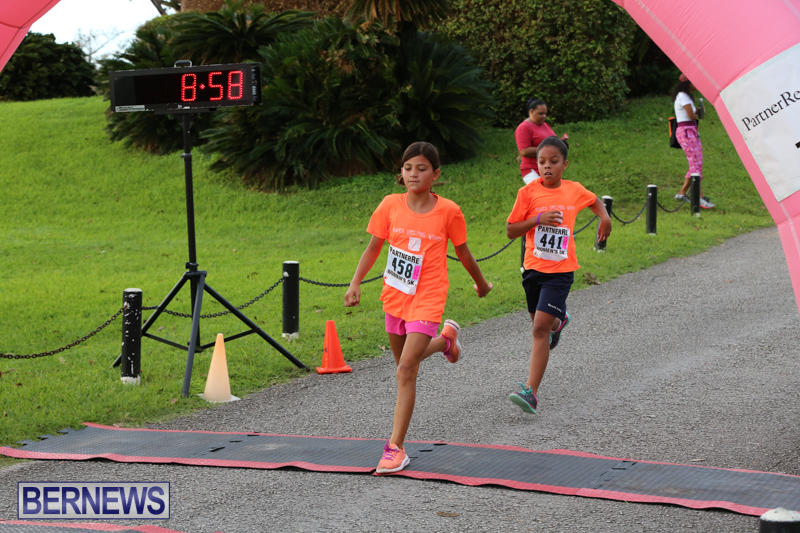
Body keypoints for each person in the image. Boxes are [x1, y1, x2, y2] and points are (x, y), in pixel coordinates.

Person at [344, 141, 493, 474]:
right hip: (396, 296)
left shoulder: (449, 211)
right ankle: (446, 342)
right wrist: (355, 283)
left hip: (429, 296)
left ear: (435, 174)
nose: (414, 174)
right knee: (403, 365)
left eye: (422, 168)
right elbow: (373, 248)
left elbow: (464, 253)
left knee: (406, 369)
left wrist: (482, 284)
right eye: (408, 168)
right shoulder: (390, 205)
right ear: (401, 172)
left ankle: (395, 449)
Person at [505, 136, 611, 414]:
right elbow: (511, 230)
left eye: (553, 162)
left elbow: (595, 201)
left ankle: (531, 392)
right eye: (541, 162)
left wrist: (605, 217)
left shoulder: (573, 190)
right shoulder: (527, 193)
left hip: (561, 272)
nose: (547, 167)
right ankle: (559, 321)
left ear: (565, 164)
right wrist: (537, 220)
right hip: (533, 269)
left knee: (539, 329)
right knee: (543, 324)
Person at [672, 76, 714, 208]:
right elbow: (691, 116)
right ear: (688, 83)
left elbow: (694, 115)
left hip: (692, 131)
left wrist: (698, 112)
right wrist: (696, 112)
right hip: (686, 132)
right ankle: (699, 197)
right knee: (695, 164)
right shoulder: (683, 96)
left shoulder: (687, 96)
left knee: (696, 163)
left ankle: (682, 193)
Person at [514, 97, 569, 185]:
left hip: (548, 168)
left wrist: (560, 144)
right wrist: (547, 150)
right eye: (540, 113)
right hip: (532, 169)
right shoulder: (524, 128)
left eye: (545, 113)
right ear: (531, 111)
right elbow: (524, 151)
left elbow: (551, 141)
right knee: (540, 191)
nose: (544, 116)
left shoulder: (545, 125)